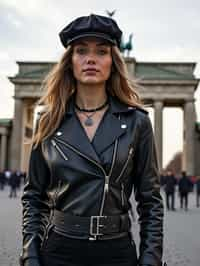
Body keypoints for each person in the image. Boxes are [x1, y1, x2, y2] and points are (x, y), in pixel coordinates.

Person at [21, 14, 164, 266]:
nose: (91, 59)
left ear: (112, 62)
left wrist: (151, 257)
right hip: (59, 250)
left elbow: (150, 200)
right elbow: (34, 196)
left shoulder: (137, 122)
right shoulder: (48, 121)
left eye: (101, 51)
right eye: (81, 50)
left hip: (116, 251)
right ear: (70, 62)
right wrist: (30, 252)